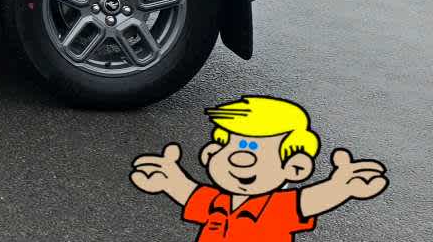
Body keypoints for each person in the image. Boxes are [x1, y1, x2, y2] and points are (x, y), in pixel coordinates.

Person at [130, 96, 387, 241]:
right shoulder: (217, 201)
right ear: (210, 154)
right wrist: (170, 179)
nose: (240, 159)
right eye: (231, 146)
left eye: (257, 150)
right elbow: (190, 194)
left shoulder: (276, 209)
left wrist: (341, 187)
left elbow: (309, 201)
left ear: (295, 168)